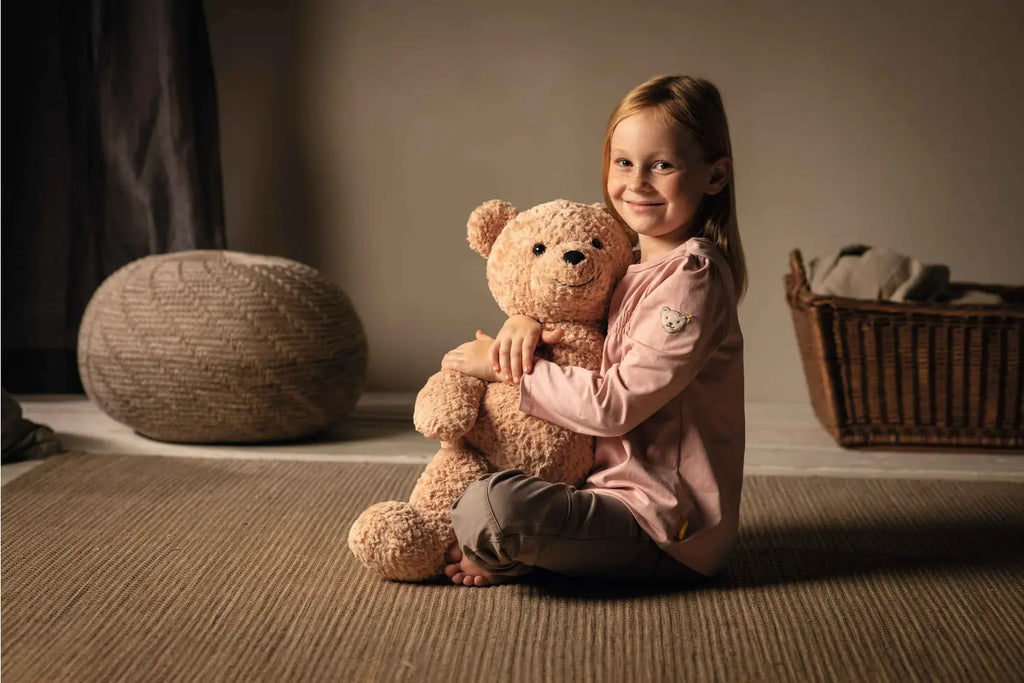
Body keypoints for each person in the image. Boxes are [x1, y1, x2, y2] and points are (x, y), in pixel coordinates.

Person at [440, 75, 747, 587]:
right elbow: (573, 315)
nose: (638, 182)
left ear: (714, 177)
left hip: (665, 527)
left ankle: (519, 546)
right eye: (624, 162)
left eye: (663, 165)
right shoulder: (625, 265)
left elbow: (614, 405)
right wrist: (526, 322)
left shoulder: (693, 279)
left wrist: (503, 363)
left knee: (491, 506)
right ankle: (531, 543)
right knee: (468, 482)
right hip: (595, 488)